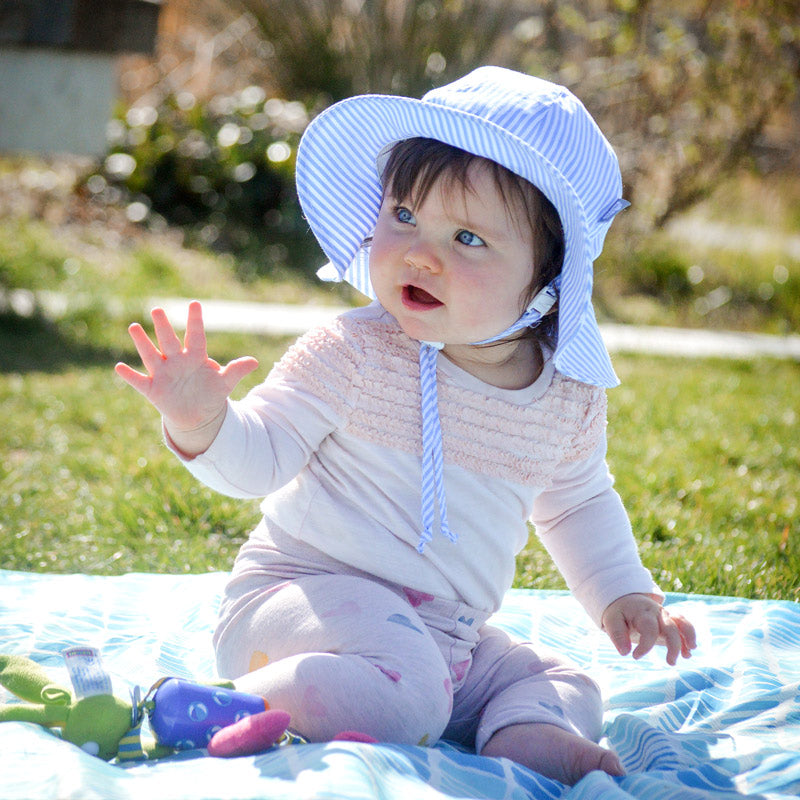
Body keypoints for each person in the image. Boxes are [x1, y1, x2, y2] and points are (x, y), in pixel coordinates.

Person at [116, 66, 697, 785]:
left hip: (445, 633)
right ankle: (203, 706)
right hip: (297, 602)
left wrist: (623, 592)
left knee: (563, 679)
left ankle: (525, 733)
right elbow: (258, 459)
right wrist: (205, 419)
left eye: (468, 239)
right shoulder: (354, 353)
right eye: (404, 217)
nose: (421, 253)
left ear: (549, 281)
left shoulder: (566, 398)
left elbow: (577, 502)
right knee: (411, 690)